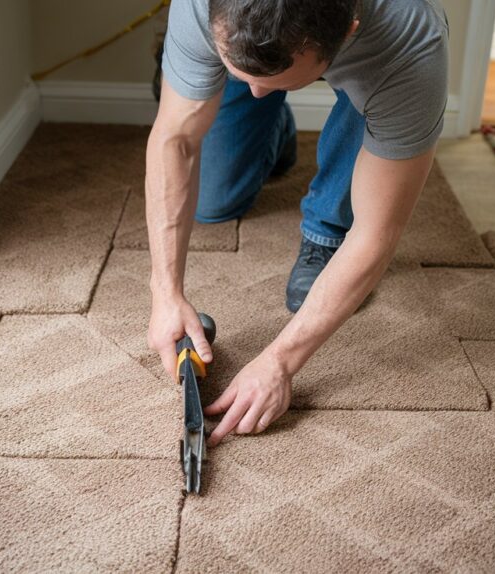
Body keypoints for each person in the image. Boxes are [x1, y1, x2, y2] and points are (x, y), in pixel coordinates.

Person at [146, 0, 449, 445]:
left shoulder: (409, 42)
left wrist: (280, 362)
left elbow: (377, 230)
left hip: (376, 55)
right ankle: (275, 125)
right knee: (212, 200)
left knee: (371, 105)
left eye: (275, 83)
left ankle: (326, 222)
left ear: (348, 31)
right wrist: (165, 292)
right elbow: (175, 140)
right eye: (244, 75)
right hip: (261, 41)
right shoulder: (201, 5)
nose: (255, 92)